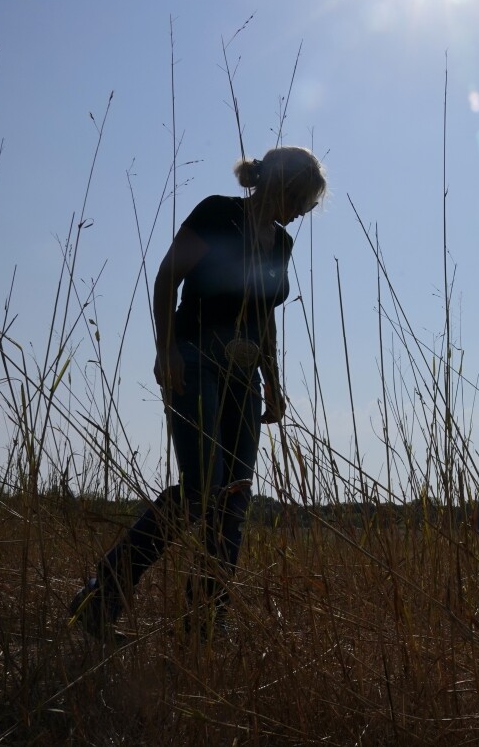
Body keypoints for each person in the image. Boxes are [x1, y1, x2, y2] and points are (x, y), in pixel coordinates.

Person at [70, 146, 326, 641]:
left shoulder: (281, 243)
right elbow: (169, 275)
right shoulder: (216, 212)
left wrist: (273, 381)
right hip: (196, 358)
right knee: (200, 490)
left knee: (234, 497)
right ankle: (103, 595)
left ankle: (206, 619)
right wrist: (165, 347)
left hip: (244, 374)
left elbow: (264, 314)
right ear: (283, 187)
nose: (303, 213)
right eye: (304, 201)